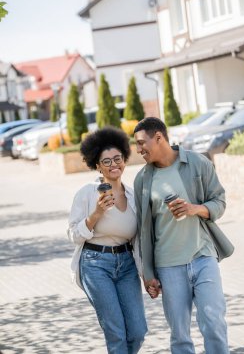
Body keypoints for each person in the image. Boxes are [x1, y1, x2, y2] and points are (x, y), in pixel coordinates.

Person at [133, 117, 234, 354]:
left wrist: (195, 209)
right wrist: (148, 274)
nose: (138, 150)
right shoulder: (143, 180)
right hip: (168, 266)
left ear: (158, 138)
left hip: (203, 257)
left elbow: (219, 200)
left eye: (141, 143)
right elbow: (144, 230)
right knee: (180, 335)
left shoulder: (198, 163)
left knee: (214, 323)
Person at [67, 126, 147, 354]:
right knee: (116, 333)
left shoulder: (132, 195)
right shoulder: (87, 193)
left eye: (117, 159)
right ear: (97, 165)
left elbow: (138, 240)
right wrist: (96, 214)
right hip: (95, 265)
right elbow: (73, 235)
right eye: (107, 161)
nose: (114, 165)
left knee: (138, 331)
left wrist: (147, 274)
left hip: (126, 265)